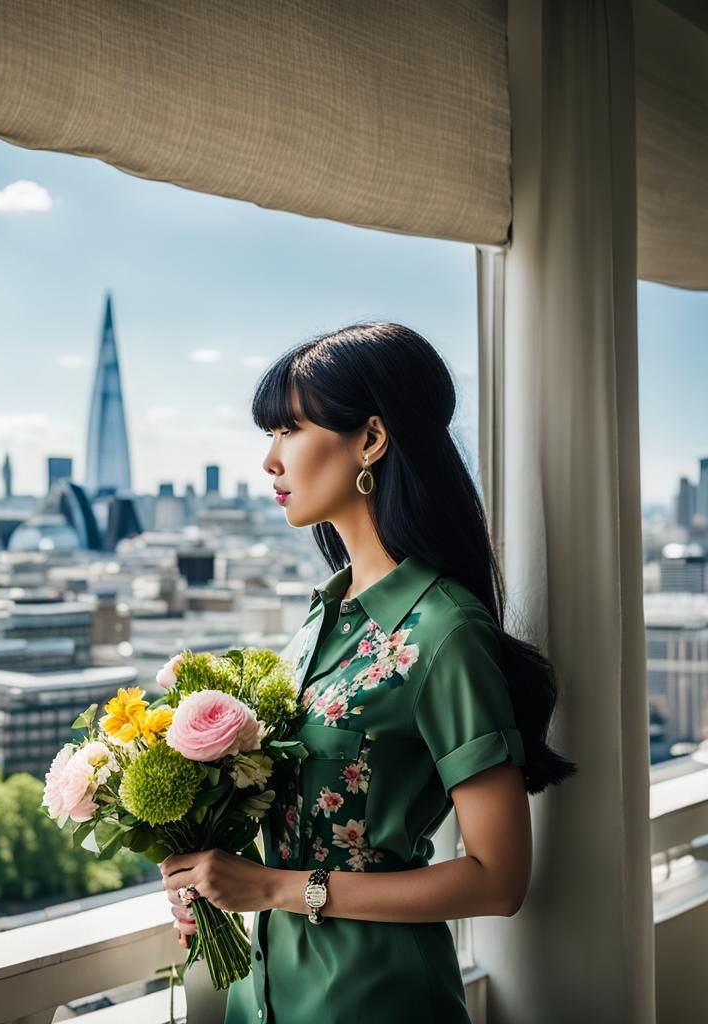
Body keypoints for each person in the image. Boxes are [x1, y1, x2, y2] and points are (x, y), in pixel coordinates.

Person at [160, 322, 577, 1023]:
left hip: (375, 1000)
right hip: (263, 1000)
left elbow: (500, 880)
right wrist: (210, 876)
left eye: (289, 429)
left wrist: (275, 889)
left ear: (371, 440)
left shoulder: (444, 631)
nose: (270, 460)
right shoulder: (321, 618)